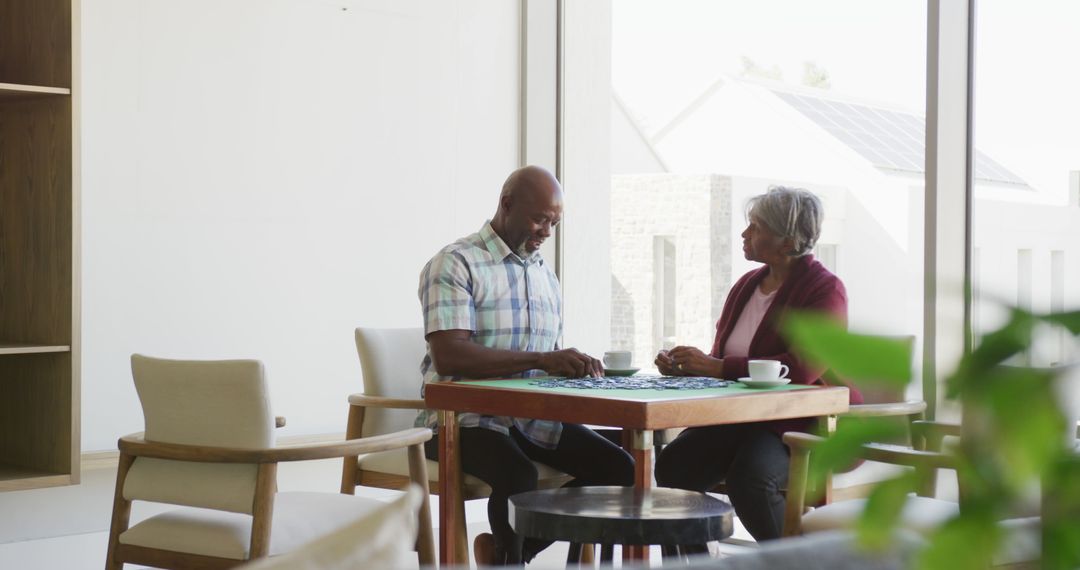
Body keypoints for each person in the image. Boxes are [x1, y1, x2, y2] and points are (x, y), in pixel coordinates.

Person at [417, 165, 634, 565]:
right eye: (539, 219)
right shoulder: (455, 262)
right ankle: (510, 559)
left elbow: (543, 360)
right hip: (463, 420)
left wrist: (570, 365)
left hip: (532, 418)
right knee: (519, 476)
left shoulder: (543, 274)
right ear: (506, 204)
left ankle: (508, 556)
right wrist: (543, 359)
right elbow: (450, 355)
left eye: (553, 223)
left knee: (620, 469)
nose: (546, 232)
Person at [653, 186, 862, 542]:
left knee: (751, 479)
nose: (744, 234)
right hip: (740, 418)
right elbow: (723, 357)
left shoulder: (825, 289)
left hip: (799, 422)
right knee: (673, 467)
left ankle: (796, 565)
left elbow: (801, 369)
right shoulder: (746, 285)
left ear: (787, 241)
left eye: (755, 226)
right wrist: (688, 366)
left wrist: (717, 367)